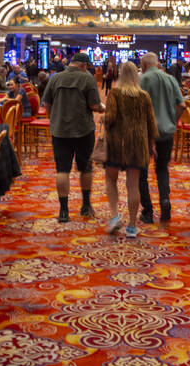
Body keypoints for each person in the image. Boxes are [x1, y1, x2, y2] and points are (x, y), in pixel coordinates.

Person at [43, 52, 104, 223]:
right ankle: (85, 205)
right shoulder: (87, 78)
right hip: (83, 130)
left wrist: (54, 119)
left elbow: (47, 103)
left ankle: (63, 211)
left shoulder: (55, 78)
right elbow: (94, 105)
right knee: (85, 168)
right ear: (84, 65)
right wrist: (102, 109)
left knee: (62, 170)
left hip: (60, 131)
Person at [103, 61, 159, 238]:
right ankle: (132, 226)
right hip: (137, 144)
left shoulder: (115, 93)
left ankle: (115, 216)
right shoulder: (144, 96)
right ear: (137, 75)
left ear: (120, 74)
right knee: (133, 186)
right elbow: (151, 124)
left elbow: (110, 118)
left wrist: (103, 119)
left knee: (111, 180)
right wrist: (151, 145)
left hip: (116, 144)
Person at [137, 53, 185, 224]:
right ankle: (165, 201)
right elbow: (181, 105)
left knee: (141, 173)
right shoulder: (171, 79)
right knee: (162, 169)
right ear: (157, 64)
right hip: (166, 131)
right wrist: (173, 121)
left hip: (144, 133)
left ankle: (148, 211)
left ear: (143, 65)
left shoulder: (141, 80)